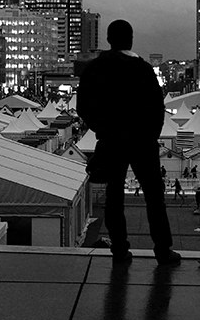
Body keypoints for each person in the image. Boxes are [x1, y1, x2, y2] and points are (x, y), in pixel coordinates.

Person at [77, 19, 180, 266]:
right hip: (142, 140)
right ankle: (163, 250)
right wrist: (151, 134)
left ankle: (120, 249)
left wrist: (102, 129)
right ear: (131, 39)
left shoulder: (95, 68)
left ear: (109, 39)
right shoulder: (142, 69)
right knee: (154, 197)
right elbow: (157, 107)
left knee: (114, 197)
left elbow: (83, 106)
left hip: (112, 140)